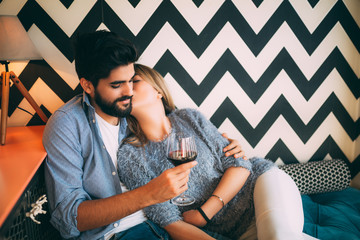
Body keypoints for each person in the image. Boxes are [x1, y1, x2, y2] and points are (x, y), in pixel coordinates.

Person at [42, 30, 245, 239]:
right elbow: (69, 219)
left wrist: (227, 146)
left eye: (131, 80)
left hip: (170, 223)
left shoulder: (132, 113)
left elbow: (174, 131)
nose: (129, 91)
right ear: (87, 85)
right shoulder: (67, 124)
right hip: (122, 232)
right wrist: (149, 194)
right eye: (116, 85)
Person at [117, 64, 307, 240]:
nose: (127, 89)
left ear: (158, 91)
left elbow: (240, 165)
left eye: (134, 81)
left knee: (279, 235)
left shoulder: (189, 118)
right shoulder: (129, 155)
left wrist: (203, 214)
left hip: (258, 186)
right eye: (121, 85)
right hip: (234, 233)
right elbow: (168, 221)